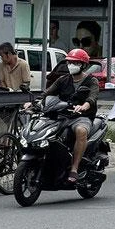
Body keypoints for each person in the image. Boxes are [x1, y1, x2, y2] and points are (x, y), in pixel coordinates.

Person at [24, 48, 97, 183]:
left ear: (83, 65)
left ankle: (74, 168)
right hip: (61, 115)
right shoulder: (63, 79)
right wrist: (34, 103)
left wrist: (84, 106)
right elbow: (47, 93)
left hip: (81, 116)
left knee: (81, 131)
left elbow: (92, 98)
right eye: (69, 63)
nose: (71, 66)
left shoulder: (91, 81)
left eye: (75, 63)